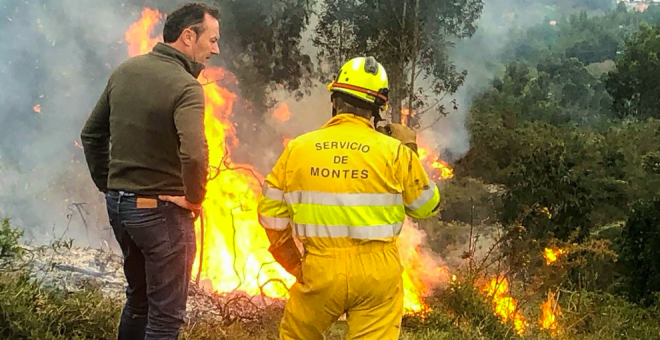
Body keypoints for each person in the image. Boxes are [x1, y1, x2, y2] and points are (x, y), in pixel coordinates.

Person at [257, 56, 441, 340]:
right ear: (378, 110)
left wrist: (293, 262)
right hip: (377, 275)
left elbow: (270, 215)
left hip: (320, 268)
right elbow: (426, 207)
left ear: (335, 100)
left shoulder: (298, 149)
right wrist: (410, 150)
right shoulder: (395, 152)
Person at [80, 3, 220, 339]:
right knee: (165, 317)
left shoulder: (125, 71)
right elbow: (195, 153)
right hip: (162, 215)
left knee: (138, 302)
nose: (216, 49)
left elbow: (91, 134)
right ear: (189, 36)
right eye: (212, 40)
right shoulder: (186, 87)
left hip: (121, 209)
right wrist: (194, 198)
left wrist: (110, 186)